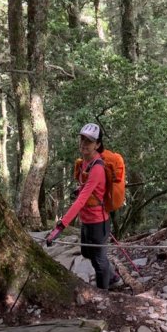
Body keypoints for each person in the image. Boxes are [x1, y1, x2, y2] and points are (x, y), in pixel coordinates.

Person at [46, 122, 121, 290]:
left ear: (98, 145)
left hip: (98, 221)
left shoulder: (97, 168)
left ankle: (104, 295)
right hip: (86, 220)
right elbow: (86, 190)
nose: (84, 144)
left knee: (99, 261)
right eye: (82, 139)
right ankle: (113, 276)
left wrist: (59, 227)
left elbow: (81, 200)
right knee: (87, 252)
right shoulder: (84, 164)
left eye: (89, 141)